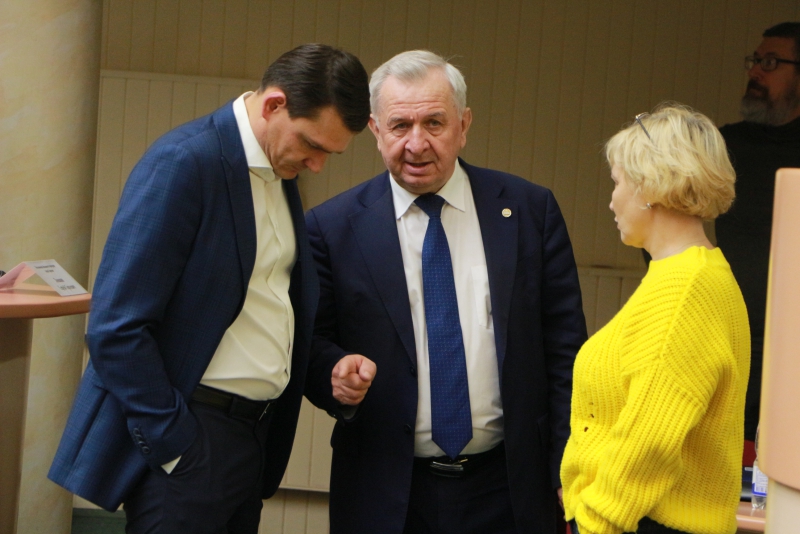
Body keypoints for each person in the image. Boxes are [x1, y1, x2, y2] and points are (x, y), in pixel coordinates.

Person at [48, 44, 371, 534]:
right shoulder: (185, 161)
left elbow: (267, 307)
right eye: (313, 145)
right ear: (274, 105)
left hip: (253, 441)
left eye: (330, 152)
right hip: (191, 436)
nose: (318, 165)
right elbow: (115, 327)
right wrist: (174, 441)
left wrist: (329, 370)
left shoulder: (279, 172)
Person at [304, 50, 587, 534]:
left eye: (434, 123)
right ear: (375, 130)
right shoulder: (331, 228)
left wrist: (567, 464)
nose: (417, 144)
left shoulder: (528, 211)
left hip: (509, 489)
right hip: (386, 494)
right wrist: (333, 373)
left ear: (464, 125)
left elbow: (566, 352)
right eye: (400, 126)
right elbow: (310, 346)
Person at [561, 104, 750, 534]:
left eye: (617, 183)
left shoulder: (686, 289)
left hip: (638, 524)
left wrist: (596, 520)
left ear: (648, 185)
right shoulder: (685, 275)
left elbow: (649, 438)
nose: (612, 200)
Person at [715, 21, 800, 442]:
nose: (755, 72)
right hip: (727, 342)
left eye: (770, 63)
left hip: (792, 354)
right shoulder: (723, 146)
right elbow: (662, 207)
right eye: (755, 61)